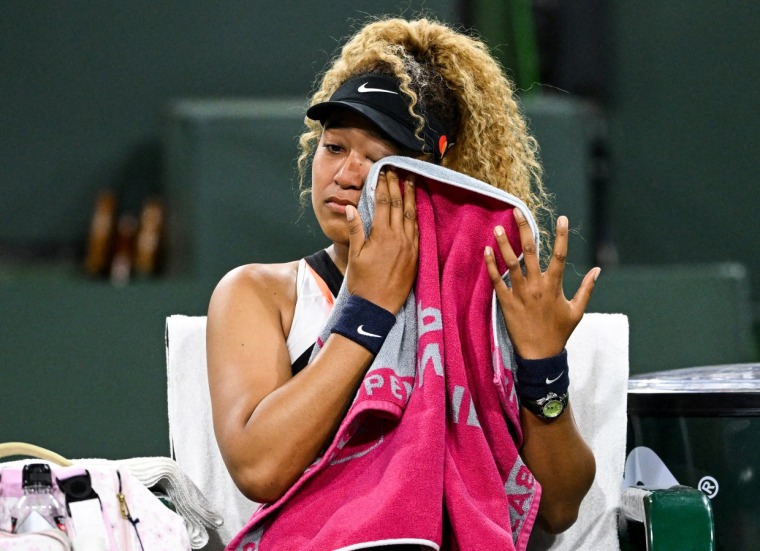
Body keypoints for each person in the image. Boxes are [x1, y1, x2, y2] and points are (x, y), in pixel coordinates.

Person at [206, 16, 599, 547]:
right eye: (334, 146)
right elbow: (260, 469)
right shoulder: (259, 293)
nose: (345, 175)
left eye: (377, 159)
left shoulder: (486, 303)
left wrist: (543, 367)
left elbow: (557, 508)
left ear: (433, 177)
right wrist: (368, 308)